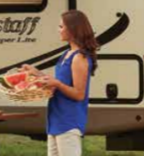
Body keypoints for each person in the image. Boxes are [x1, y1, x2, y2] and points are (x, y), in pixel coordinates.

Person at [19, 10, 97, 156]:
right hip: (55, 119)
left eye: (61, 27)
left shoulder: (79, 58)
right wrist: (36, 73)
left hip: (68, 121)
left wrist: (58, 85)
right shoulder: (65, 54)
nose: (58, 30)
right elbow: (58, 82)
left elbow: (79, 94)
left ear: (73, 29)